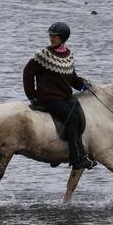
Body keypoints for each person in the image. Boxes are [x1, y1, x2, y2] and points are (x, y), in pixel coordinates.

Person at [23, 22, 94, 170]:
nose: (51, 38)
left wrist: (84, 84)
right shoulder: (43, 54)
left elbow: (72, 78)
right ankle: (77, 159)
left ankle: (66, 152)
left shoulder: (69, 55)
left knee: (81, 117)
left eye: (55, 36)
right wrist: (32, 95)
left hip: (64, 97)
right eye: (50, 36)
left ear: (63, 38)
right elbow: (28, 72)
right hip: (49, 99)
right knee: (73, 120)